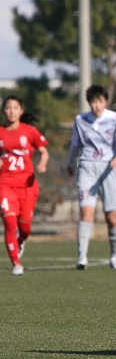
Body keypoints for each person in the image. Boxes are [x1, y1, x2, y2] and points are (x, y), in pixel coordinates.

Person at [66, 85, 116, 271]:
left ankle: (115, 256)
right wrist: (69, 163)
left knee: (111, 217)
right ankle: (82, 257)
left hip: (109, 168)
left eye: (100, 101)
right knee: (86, 212)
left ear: (105, 101)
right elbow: (74, 144)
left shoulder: (115, 119)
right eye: (93, 101)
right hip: (87, 168)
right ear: (89, 102)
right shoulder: (80, 120)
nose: (97, 105)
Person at [0, 95, 49, 275]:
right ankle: (16, 263)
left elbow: (43, 151)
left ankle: (21, 241)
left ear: (21, 111)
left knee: (25, 228)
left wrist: (42, 163)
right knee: (9, 222)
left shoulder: (29, 131)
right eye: (8, 107)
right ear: (3, 110)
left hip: (27, 187)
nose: (11, 111)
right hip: (5, 185)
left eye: (15, 107)